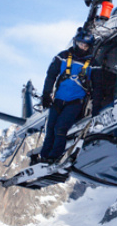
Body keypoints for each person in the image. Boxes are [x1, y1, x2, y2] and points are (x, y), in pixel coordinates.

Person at [37, 28, 96, 163]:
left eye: (86, 46)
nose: (83, 47)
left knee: (60, 127)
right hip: (58, 100)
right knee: (50, 128)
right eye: (81, 44)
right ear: (76, 42)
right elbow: (51, 75)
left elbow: (97, 84)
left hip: (75, 102)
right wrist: (46, 94)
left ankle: (55, 156)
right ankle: (44, 156)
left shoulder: (92, 63)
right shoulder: (62, 56)